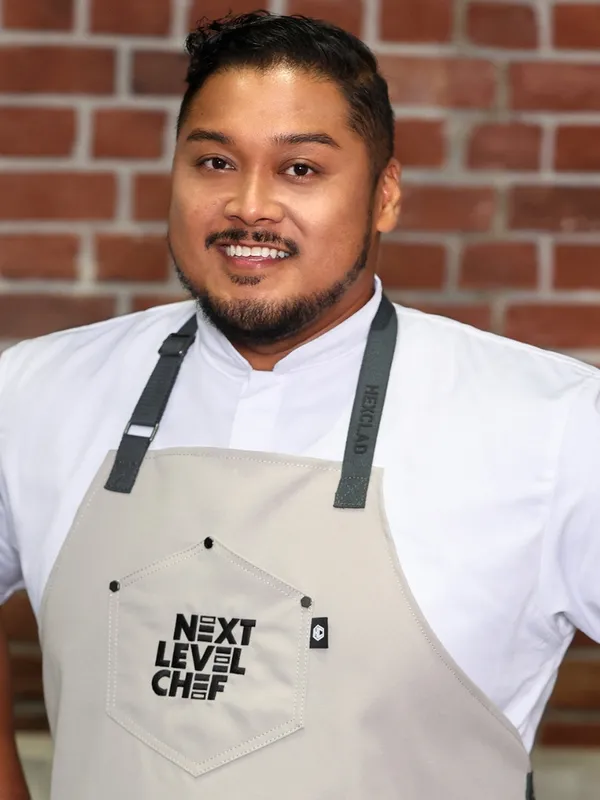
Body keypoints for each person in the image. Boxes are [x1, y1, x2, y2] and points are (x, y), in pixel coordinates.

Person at [0, 10, 599, 800]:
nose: (250, 205)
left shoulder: (553, 425)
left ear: (385, 195)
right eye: (215, 162)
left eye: (301, 169)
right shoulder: (34, 392)